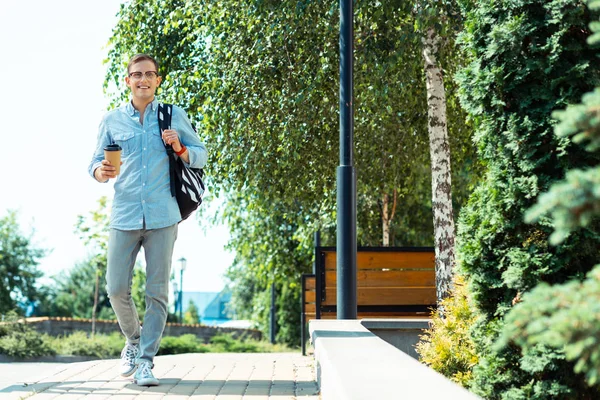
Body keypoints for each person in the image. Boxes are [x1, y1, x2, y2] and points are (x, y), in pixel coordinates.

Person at [88, 54, 208, 386]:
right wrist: (101, 171)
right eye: (137, 75)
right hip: (124, 215)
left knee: (157, 293)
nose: (143, 80)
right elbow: (95, 163)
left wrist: (181, 148)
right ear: (127, 81)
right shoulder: (112, 120)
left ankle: (145, 361)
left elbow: (201, 154)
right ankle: (133, 340)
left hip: (162, 215)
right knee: (115, 289)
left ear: (157, 80)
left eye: (150, 75)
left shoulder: (173, 116)